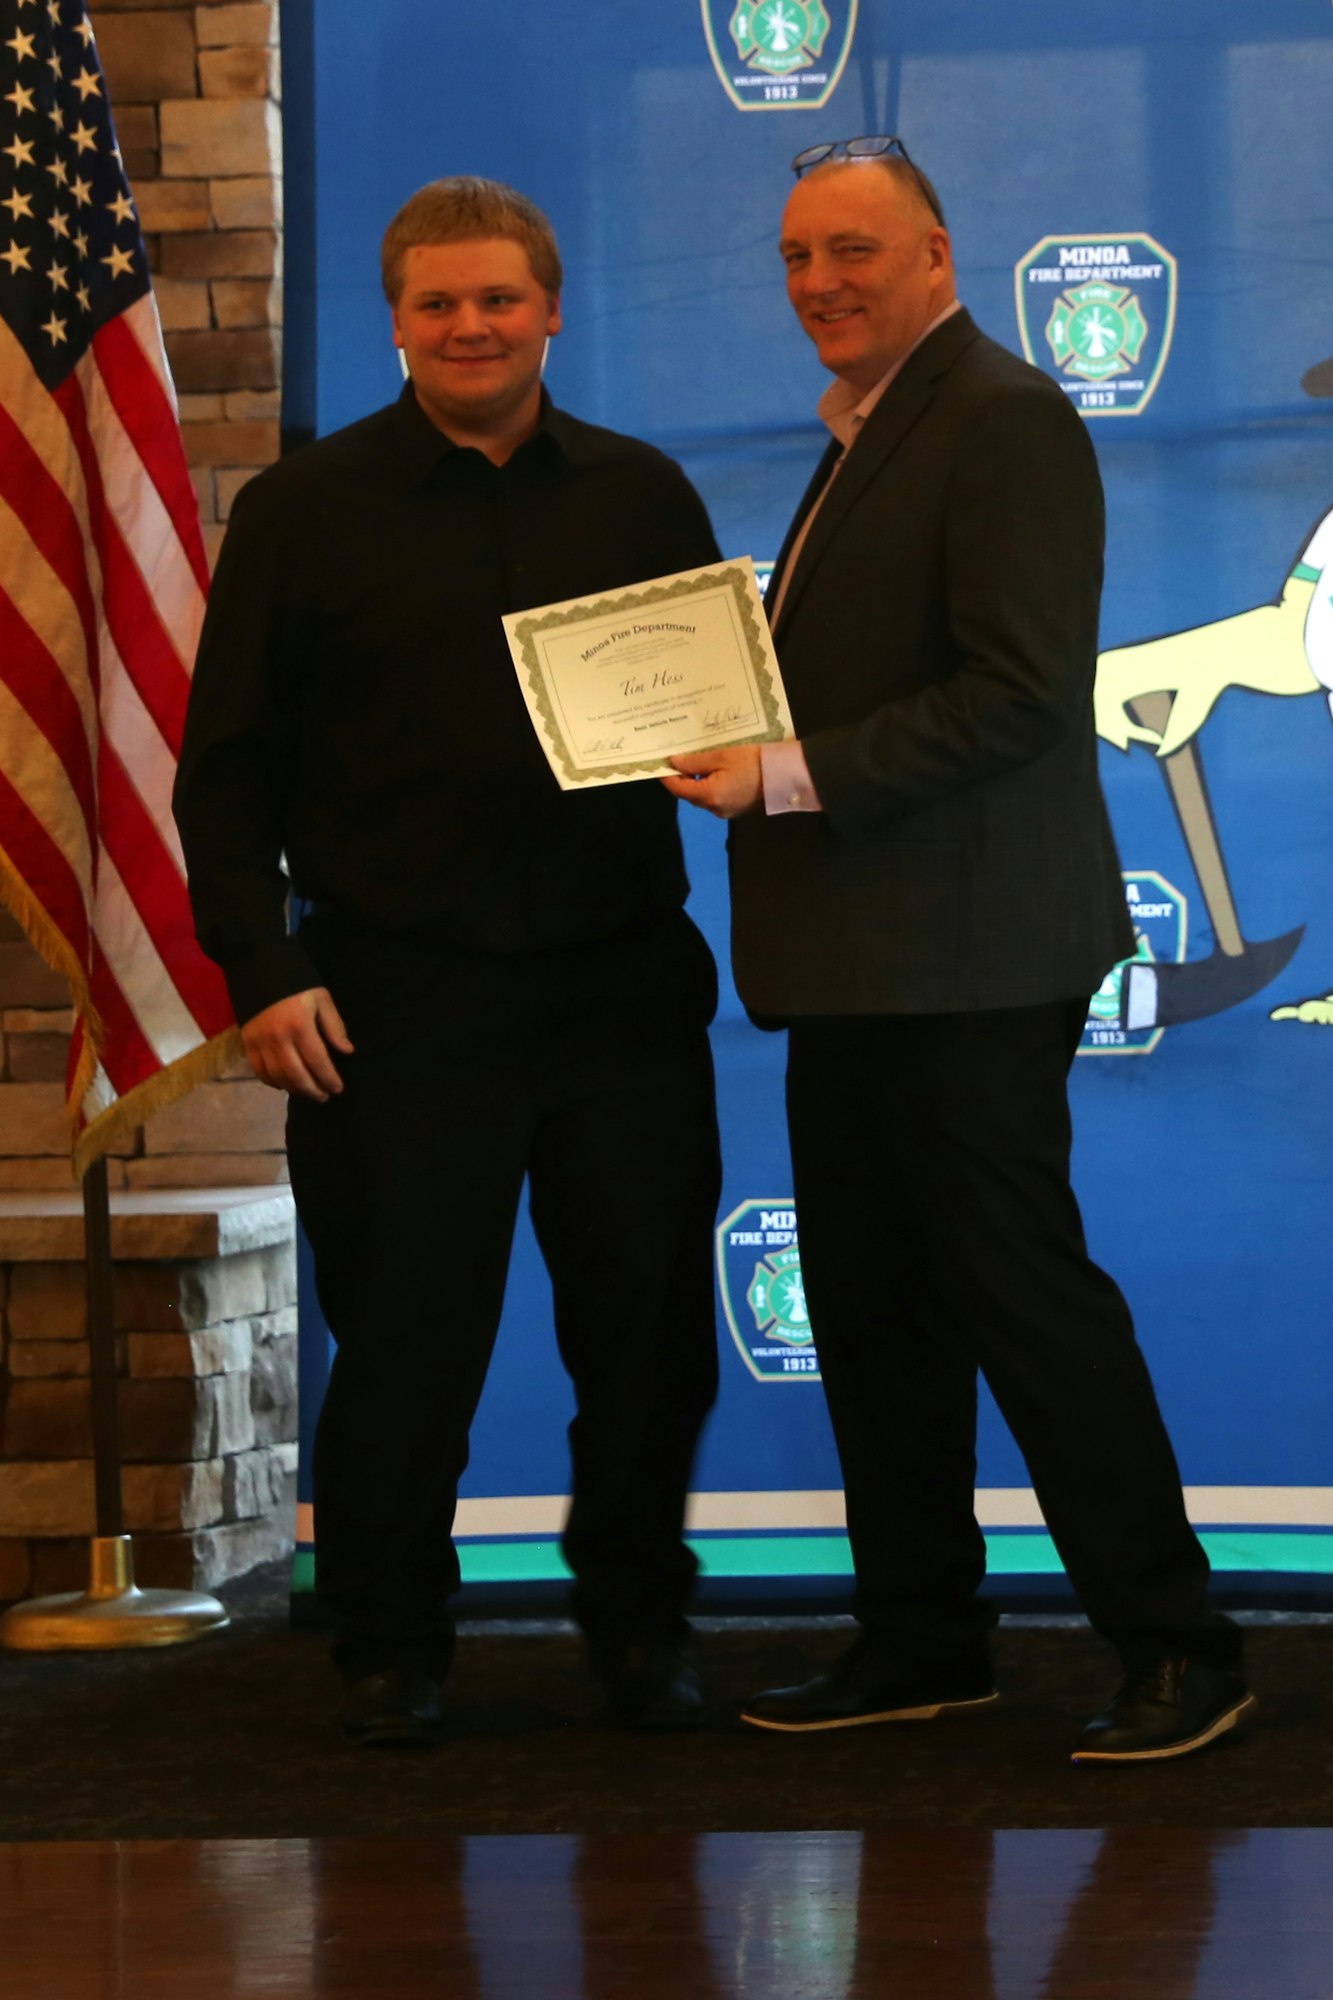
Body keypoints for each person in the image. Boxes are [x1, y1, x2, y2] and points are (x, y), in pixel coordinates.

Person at [665, 140, 1253, 1763]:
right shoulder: (869, 434)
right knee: (873, 1309)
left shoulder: (1001, 418)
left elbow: (1013, 696)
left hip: (972, 958)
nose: (818, 283)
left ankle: (1179, 1648)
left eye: (850, 249)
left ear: (934, 252)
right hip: (859, 956)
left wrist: (781, 773)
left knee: (1019, 1295)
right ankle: (923, 1637)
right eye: (793, 257)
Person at [175, 177, 723, 1747]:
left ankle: (638, 1634)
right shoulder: (301, 510)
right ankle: (389, 1647)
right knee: (407, 1345)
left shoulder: (644, 498)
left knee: (647, 1345)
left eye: (499, 299)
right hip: (391, 1005)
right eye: (438, 304)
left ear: (552, 309)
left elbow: (709, 719)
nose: (470, 326)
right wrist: (263, 970)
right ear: (397, 320)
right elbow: (223, 775)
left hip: (619, 994)